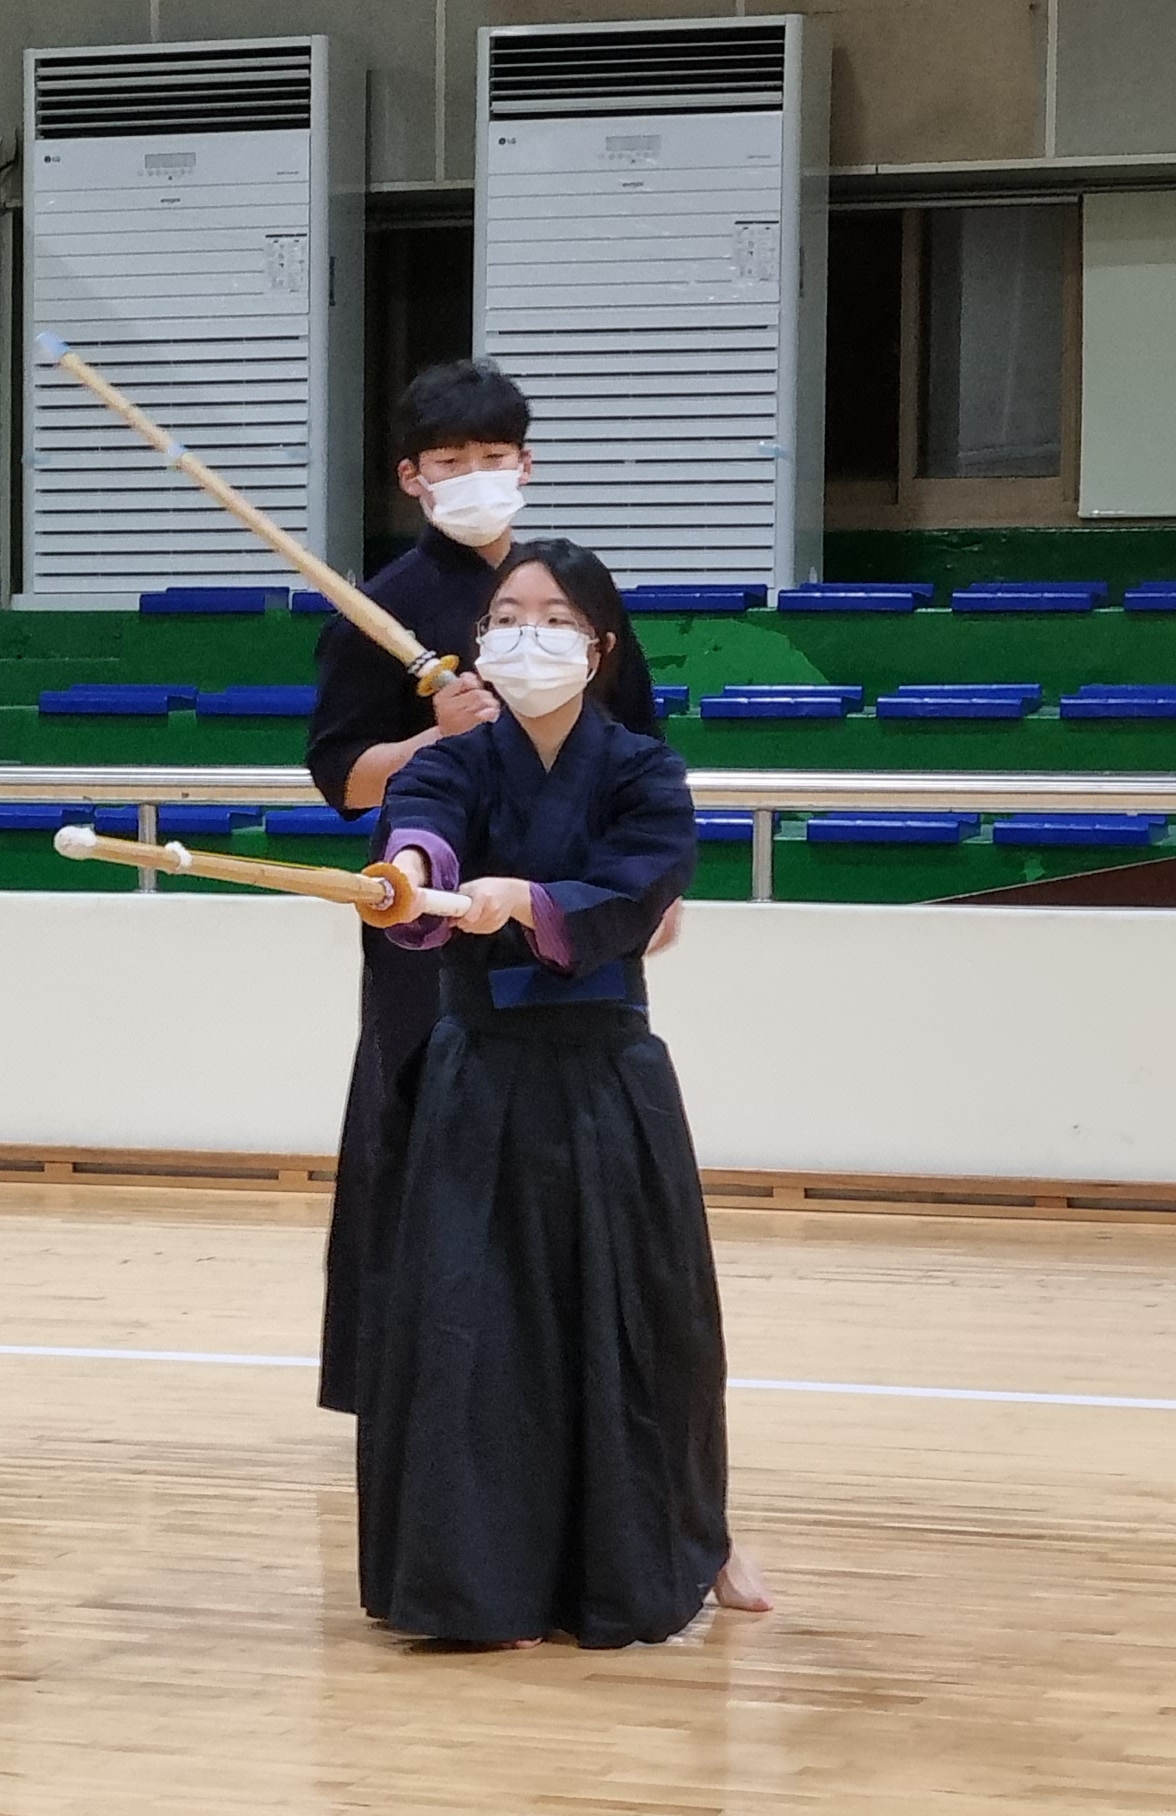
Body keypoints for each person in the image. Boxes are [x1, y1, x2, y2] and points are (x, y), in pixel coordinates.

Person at [352, 538, 768, 1647]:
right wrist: (417, 878)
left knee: (640, 1323)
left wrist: (527, 902)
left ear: (599, 647)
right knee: (471, 1327)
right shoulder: (456, 760)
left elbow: (640, 888)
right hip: (478, 1074)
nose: (523, 636)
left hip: (603, 1080)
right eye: (505, 616)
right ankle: (478, 1583)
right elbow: (422, 825)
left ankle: (668, 1548)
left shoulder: (644, 771)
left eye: (552, 619)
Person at [304, 360, 663, 1417]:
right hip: (431, 912)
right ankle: (403, 1378)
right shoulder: (381, 608)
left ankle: (561, 1372)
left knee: (579, 1131)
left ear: (527, 466)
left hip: (568, 902)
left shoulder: (577, 596)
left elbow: (641, 742)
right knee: (419, 1118)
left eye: (493, 457)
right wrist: (436, 736)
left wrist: (653, 886)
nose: (474, 477)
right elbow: (343, 779)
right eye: (450, 461)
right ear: (412, 477)